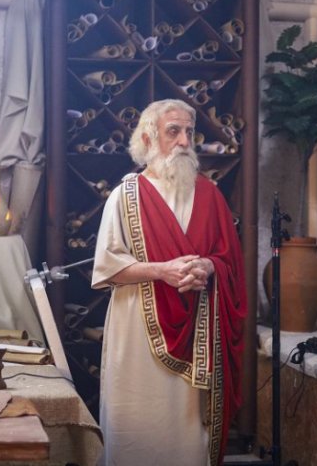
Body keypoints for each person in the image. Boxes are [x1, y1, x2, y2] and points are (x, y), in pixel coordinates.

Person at [92, 99, 247, 466]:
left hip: (198, 328)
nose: (184, 141)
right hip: (137, 331)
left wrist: (207, 266)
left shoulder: (209, 195)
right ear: (148, 139)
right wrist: (162, 271)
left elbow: (230, 262)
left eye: (189, 132)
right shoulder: (125, 196)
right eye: (173, 131)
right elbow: (107, 268)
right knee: (136, 424)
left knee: (186, 433)